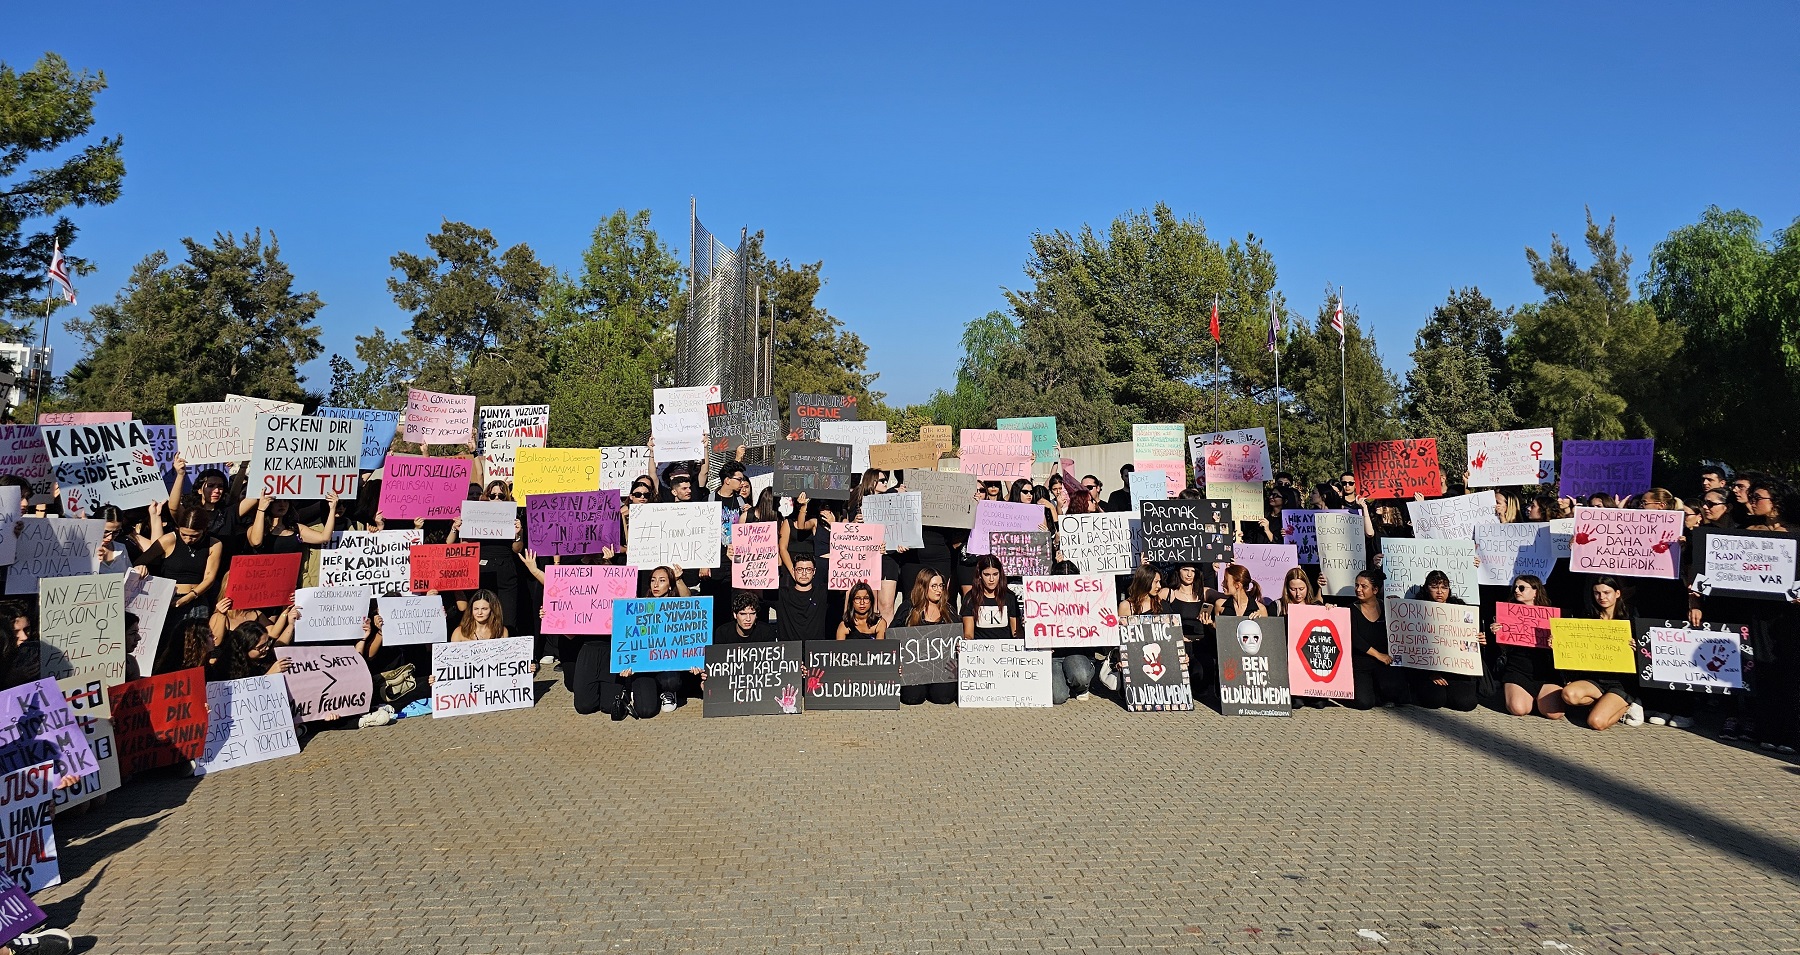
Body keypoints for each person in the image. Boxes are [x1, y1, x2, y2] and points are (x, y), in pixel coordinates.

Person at [1559, 577, 1640, 731]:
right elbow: (1576, 646)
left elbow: (1645, 655)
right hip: (1595, 680)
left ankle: (1627, 706)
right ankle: (1604, 703)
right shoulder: (1589, 618)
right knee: (1569, 694)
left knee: (1596, 722)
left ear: (1617, 594)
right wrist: (1558, 642)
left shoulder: (1630, 621)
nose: (1601, 597)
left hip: (1621, 682)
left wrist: (1637, 648)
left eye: (1606, 592)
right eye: (1597, 593)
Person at [1490, 574, 1564, 720]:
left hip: (1545, 670)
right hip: (1518, 668)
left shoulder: (1549, 615)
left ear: (1535, 591)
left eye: (1522, 588)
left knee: (1555, 713)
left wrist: (1556, 643)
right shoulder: (1507, 614)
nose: (1517, 590)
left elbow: (1561, 648)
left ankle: (1537, 699)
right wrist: (1498, 635)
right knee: (1518, 709)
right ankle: (1522, 696)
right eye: (1515, 587)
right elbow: (1503, 648)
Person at [1408, 569, 1480, 712]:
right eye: (1434, 587)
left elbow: (1468, 641)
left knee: (1466, 703)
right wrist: (1430, 674)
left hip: (1456, 669)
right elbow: (1411, 645)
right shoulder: (1417, 610)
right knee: (1435, 700)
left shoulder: (1460, 609)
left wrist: (1479, 641)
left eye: (1444, 587)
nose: (1440, 592)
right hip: (1427, 669)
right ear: (1426, 589)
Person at [895, 568, 958, 706]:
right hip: (914, 669)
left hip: (941, 669)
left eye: (941, 586)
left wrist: (960, 646)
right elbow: (892, 636)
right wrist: (897, 663)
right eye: (934, 586)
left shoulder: (948, 610)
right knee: (912, 698)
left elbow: (958, 636)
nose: (939, 590)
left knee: (943, 697)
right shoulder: (908, 608)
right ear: (923, 587)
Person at [1344, 570, 1405, 709]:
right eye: (1356, 585)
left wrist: (1399, 605)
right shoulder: (1350, 609)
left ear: (1375, 590)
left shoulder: (1387, 607)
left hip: (1384, 662)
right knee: (1364, 703)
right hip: (1361, 663)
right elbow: (1355, 639)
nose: (1358, 589)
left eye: (1363, 586)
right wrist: (1378, 655)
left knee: (1397, 696)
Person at [775, 552, 832, 644]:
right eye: (800, 569)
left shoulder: (823, 593)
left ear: (814, 571)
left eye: (808, 569)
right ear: (793, 571)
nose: (804, 573)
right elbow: (756, 590)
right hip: (789, 650)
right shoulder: (782, 594)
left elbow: (848, 587)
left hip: (816, 650)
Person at [962, 555, 1020, 640]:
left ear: (1000, 574)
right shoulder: (971, 597)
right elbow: (968, 634)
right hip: (980, 647)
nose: (991, 579)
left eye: (995, 574)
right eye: (987, 575)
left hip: (1005, 647)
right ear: (980, 575)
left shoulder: (1009, 597)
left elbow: (1016, 632)